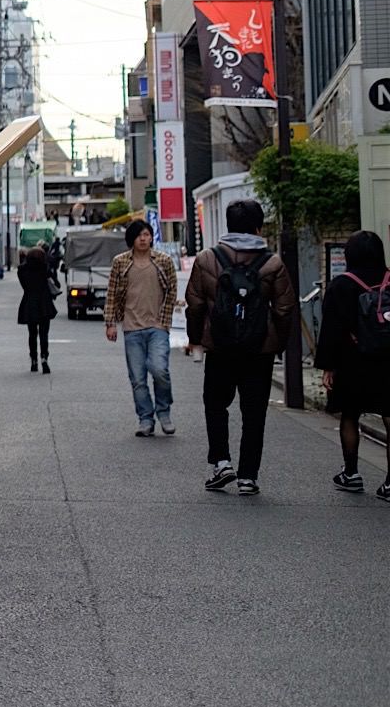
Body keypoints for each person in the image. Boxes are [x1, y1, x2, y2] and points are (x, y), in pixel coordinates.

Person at [183, 198, 295, 496]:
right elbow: (284, 309)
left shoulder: (208, 259)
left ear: (228, 225)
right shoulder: (272, 263)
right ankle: (248, 476)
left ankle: (222, 463)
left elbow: (195, 304)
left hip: (220, 345)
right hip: (259, 349)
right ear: (258, 227)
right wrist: (278, 343)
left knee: (216, 404)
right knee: (254, 412)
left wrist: (196, 339)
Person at [316, 230, 390, 498]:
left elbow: (330, 330)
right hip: (388, 361)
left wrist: (328, 367)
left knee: (350, 414)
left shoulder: (341, 285)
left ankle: (351, 473)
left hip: (352, 360)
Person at [105, 219, 180, 437]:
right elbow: (111, 294)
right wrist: (110, 323)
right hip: (131, 327)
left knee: (160, 370)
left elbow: (172, 291)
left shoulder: (163, 261)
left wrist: (164, 321)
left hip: (157, 326)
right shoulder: (120, 262)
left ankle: (164, 412)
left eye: (146, 234)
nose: (143, 239)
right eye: (139, 235)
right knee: (137, 378)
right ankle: (145, 419)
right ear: (132, 239)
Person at [17, 244, 57, 374]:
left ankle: (33, 359)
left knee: (32, 334)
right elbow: (54, 281)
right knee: (44, 334)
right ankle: (44, 358)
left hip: (30, 303)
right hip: (44, 303)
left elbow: (23, 285)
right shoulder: (44, 269)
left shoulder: (22, 271)